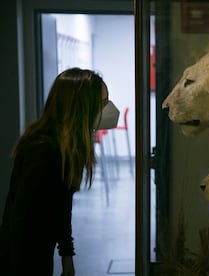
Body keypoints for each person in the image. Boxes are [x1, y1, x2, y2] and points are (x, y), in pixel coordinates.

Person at [0, 68, 119, 275]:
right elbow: (20, 222)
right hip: (23, 260)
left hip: (40, 253)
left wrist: (67, 254)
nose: (108, 110)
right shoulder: (44, 151)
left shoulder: (66, 147)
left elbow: (62, 205)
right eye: (102, 104)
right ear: (80, 108)